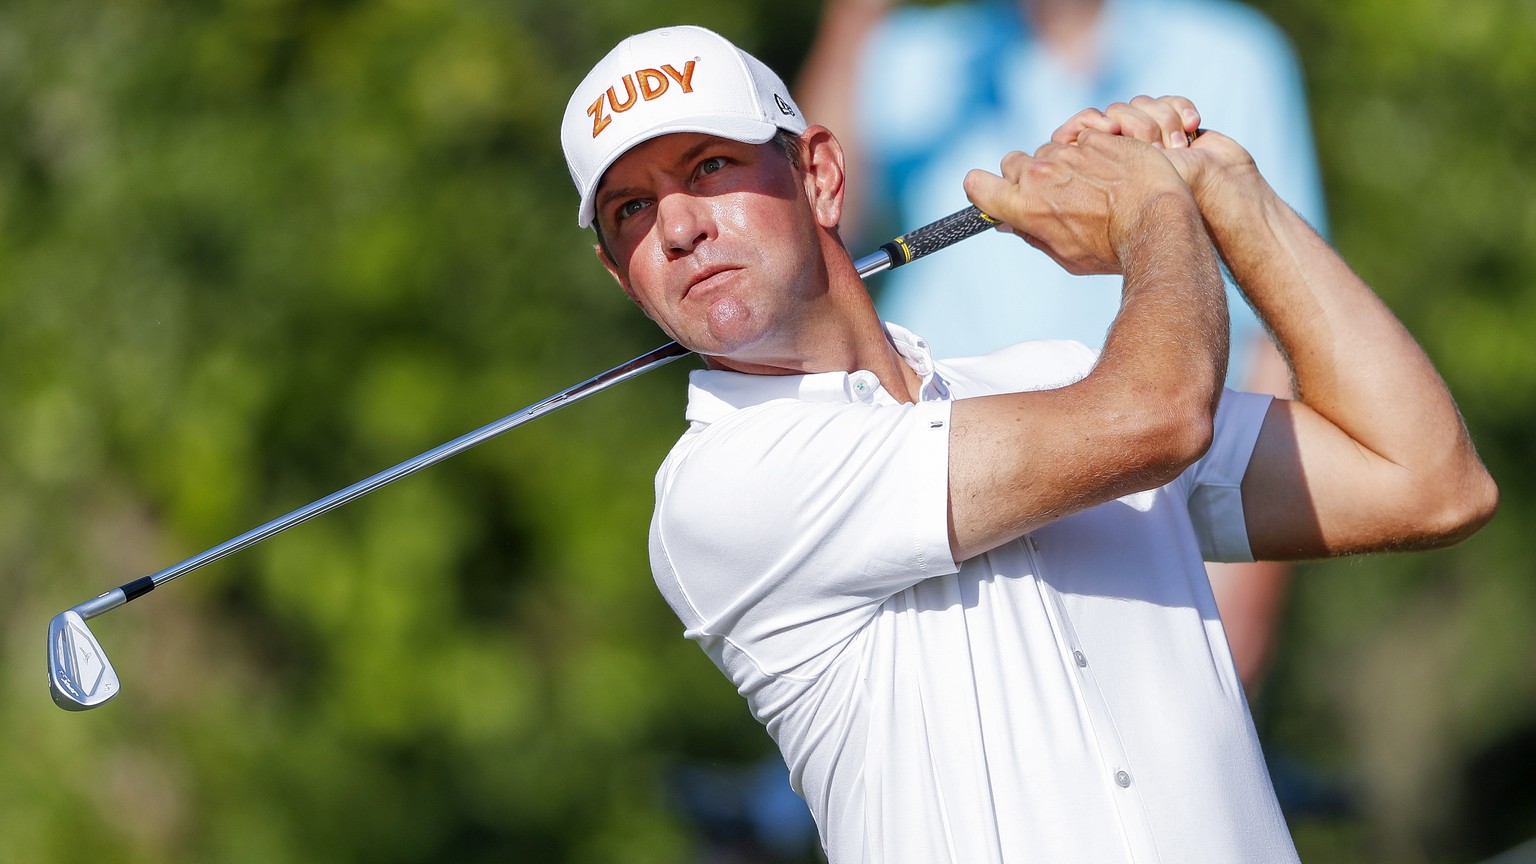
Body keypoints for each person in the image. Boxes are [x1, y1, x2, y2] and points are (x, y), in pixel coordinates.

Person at [559, 25, 1497, 863]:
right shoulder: (718, 491)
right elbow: (1159, 417)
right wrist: (1154, 212)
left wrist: (1226, 188)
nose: (678, 226)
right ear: (615, 269)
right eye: (631, 210)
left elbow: (1428, 482)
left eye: (711, 166)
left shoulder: (1053, 379)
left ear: (820, 176)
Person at [796, 0, 1326, 697]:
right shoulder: (911, 53)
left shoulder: (1235, 55)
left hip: (1161, 506)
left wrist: (1247, 597)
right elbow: (807, 238)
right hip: (954, 516)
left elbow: (1273, 323)